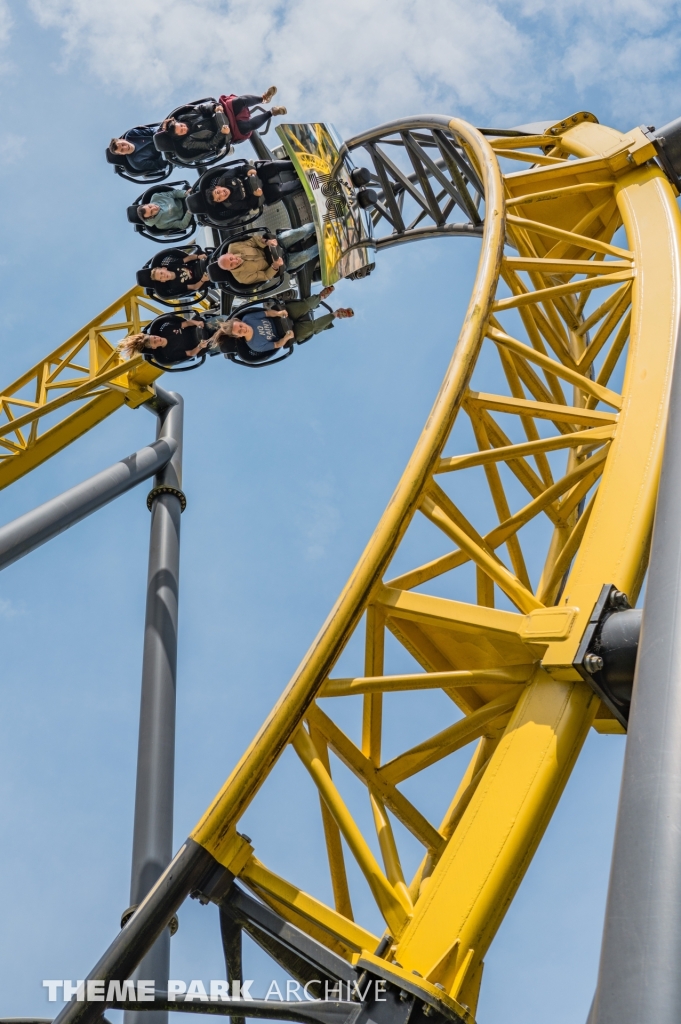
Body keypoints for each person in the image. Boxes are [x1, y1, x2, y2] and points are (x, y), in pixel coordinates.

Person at [211, 287, 354, 355]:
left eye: (241, 326)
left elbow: (267, 313)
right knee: (312, 327)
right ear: (238, 336)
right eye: (240, 331)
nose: (244, 329)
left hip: (282, 318)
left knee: (305, 306)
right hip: (287, 333)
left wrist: (279, 313)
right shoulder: (255, 345)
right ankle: (336, 314)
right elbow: (277, 344)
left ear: (241, 322)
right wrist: (287, 337)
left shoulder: (249, 318)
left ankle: (320, 297)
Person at [216, 225, 319, 285]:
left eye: (231, 258)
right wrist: (275, 266)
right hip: (279, 263)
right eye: (231, 265)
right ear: (229, 270)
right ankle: (325, 244)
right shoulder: (242, 278)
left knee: (301, 231)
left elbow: (254, 240)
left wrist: (266, 242)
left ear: (229, 253)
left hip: (274, 245)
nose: (235, 261)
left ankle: (319, 224)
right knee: (306, 256)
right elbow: (265, 276)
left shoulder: (233, 247)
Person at [119, 315, 208, 366]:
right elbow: (191, 353)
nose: (157, 339)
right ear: (154, 347)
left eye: (154, 337)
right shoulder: (169, 354)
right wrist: (200, 346)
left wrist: (197, 323)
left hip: (199, 328)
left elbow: (187, 323)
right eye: (155, 342)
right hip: (201, 344)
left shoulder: (165, 329)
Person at [218, 88, 286, 146]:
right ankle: (272, 112)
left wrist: (213, 108)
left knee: (241, 101)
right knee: (249, 126)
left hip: (223, 112)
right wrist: (222, 134)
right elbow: (212, 145)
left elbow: (207, 108)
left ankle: (263, 99)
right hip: (230, 130)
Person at [141, 251, 209, 297]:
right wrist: (203, 279)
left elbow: (189, 258)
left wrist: (198, 257)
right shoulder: (175, 286)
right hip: (201, 278)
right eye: (161, 278)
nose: (163, 276)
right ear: (162, 281)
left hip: (197, 265)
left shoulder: (172, 265)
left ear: (164, 268)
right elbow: (194, 287)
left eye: (161, 273)